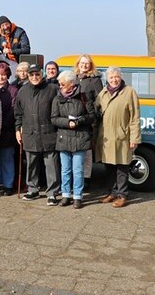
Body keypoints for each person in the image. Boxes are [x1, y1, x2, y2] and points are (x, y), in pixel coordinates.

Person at [15, 64, 61, 206]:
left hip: (49, 133)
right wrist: (17, 129)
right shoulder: (22, 91)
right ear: (28, 76)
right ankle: (33, 189)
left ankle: (52, 193)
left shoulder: (53, 89)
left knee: (51, 165)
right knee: (31, 164)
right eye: (32, 75)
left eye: (37, 74)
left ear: (42, 74)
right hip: (29, 133)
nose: (35, 77)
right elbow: (18, 113)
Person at [96, 66, 141, 208]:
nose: (114, 79)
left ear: (121, 77)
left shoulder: (129, 92)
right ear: (107, 79)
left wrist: (134, 138)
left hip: (122, 136)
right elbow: (96, 112)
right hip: (106, 137)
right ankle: (112, 192)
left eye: (116, 77)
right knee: (109, 166)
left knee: (122, 167)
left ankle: (122, 195)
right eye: (111, 77)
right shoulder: (102, 93)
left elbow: (135, 117)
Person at [50, 71, 95, 209]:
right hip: (64, 138)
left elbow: (92, 116)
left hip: (80, 138)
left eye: (62, 83)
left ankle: (77, 196)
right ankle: (65, 195)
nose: (60, 85)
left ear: (71, 83)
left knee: (78, 170)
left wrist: (80, 121)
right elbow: (54, 118)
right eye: (59, 83)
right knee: (65, 170)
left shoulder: (83, 96)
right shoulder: (57, 98)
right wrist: (66, 123)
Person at [73, 54, 103, 190]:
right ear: (78, 64)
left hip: (89, 120)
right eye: (82, 63)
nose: (84, 65)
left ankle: (86, 178)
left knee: (87, 152)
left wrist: (95, 115)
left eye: (87, 63)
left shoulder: (94, 80)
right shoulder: (73, 78)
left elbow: (100, 99)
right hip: (74, 118)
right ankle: (76, 178)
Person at [0, 63, 19, 196]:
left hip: (7, 129)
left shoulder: (13, 90)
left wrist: (2, 123)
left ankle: (8, 184)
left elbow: (14, 109)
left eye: (4, 75)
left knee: (7, 158)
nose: (1, 77)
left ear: (7, 76)